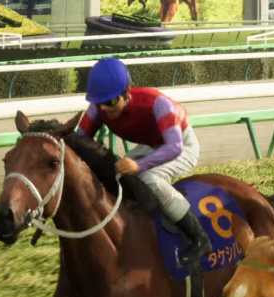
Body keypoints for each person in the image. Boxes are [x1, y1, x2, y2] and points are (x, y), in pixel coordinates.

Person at [77, 57, 211, 263]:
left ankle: (199, 239)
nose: (105, 109)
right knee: (117, 174)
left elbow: (174, 147)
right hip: (153, 145)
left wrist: (139, 165)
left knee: (149, 178)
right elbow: (79, 139)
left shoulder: (159, 104)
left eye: (111, 102)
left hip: (182, 145)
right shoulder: (99, 108)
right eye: (99, 103)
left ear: (126, 92)